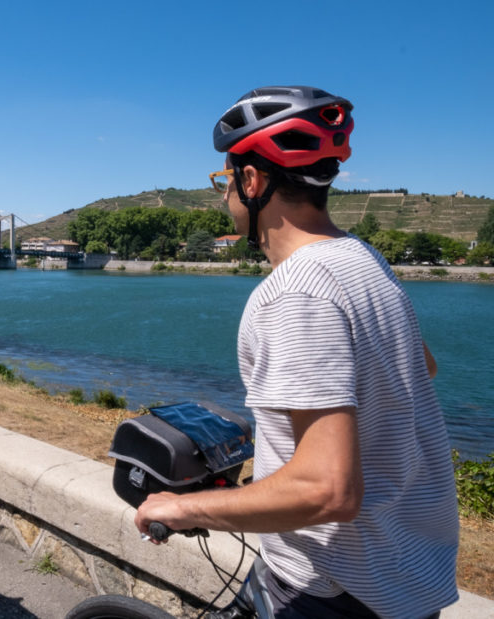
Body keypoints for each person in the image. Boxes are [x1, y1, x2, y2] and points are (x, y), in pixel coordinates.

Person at [134, 86, 459, 618]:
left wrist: (185, 506)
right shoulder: (361, 257)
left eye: (225, 181)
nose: (224, 197)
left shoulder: (296, 292)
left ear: (252, 181)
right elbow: (422, 365)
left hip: (330, 587)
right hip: (404, 576)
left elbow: (327, 490)